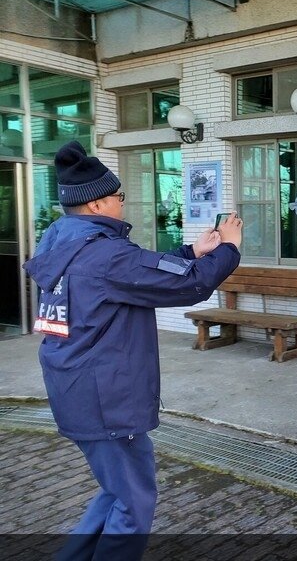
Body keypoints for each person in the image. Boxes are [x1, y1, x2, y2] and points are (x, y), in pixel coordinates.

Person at [23, 141, 243, 561]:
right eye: (119, 196)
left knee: (117, 492)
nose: (123, 203)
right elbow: (188, 285)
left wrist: (192, 252)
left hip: (80, 388)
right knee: (134, 502)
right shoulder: (104, 254)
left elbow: (142, 273)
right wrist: (229, 248)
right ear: (96, 205)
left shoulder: (63, 246)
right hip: (108, 399)